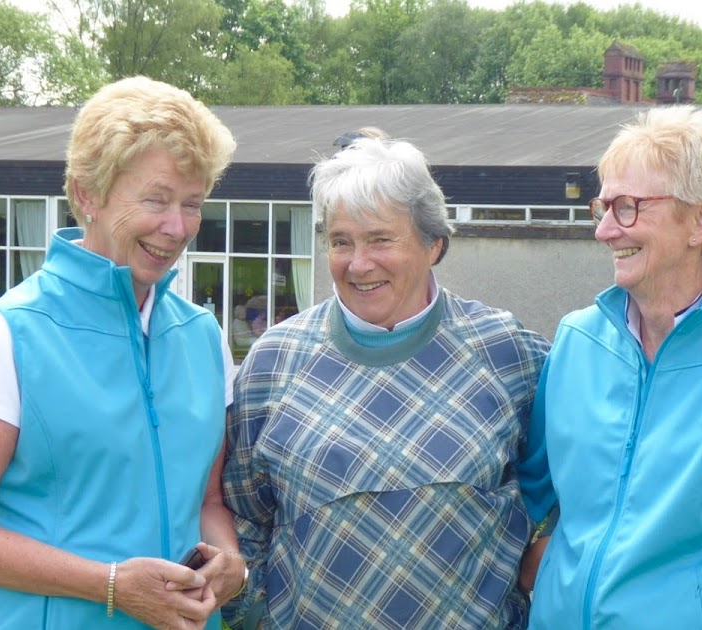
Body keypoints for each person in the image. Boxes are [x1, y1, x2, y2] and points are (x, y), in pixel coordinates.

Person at [0, 76, 247, 630]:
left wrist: (227, 556)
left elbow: (208, 501)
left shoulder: (203, 337)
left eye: (193, 204)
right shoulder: (10, 333)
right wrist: (112, 586)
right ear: (86, 193)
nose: (177, 227)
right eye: (157, 199)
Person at [222, 136, 550, 629]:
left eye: (380, 239)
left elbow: (576, 477)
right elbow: (244, 515)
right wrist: (252, 614)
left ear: (433, 243)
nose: (358, 263)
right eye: (340, 241)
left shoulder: (506, 350)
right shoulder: (274, 360)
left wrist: (545, 544)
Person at [518, 106, 702, 629]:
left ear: (701, 221)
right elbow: (525, 492)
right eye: (604, 206)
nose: (606, 230)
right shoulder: (575, 340)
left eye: (629, 207)